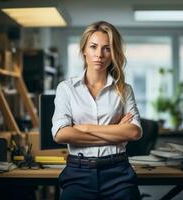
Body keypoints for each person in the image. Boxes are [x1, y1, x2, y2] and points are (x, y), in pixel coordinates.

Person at [52, 21, 142, 200]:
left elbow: (133, 132)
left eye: (106, 48)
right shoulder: (66, 88)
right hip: (78, 173)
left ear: (113, 53)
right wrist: (116, 131)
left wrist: (84, 128)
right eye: (93, 47)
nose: (99, 54)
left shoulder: (124, 89)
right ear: (84, 49)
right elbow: (60, 134)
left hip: (118, 172)